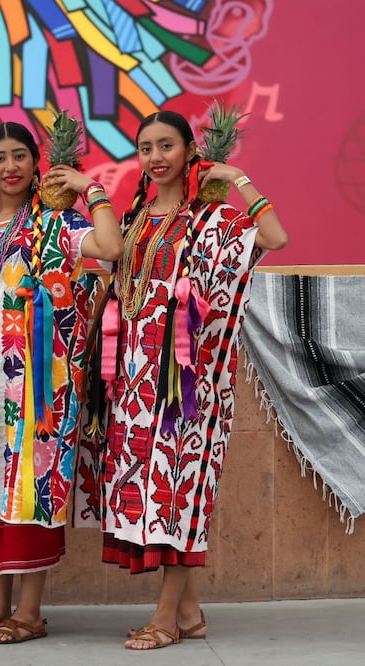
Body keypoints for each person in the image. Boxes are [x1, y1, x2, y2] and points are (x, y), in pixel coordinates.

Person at [86, 110, 287, 650]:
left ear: (188, 152)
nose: (155, 157)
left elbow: (276, 236)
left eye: (166, 145)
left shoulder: (210, 219)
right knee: (154, 496)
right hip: (133, 383)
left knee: (179, 493)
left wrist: (239, 179)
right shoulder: (136, 218)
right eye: (146, 147)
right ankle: (190, 613)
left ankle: (166, 619)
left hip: (186, 390)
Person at [0, 121, 123, 644]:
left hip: (38, 388)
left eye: (20, 157)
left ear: (37, 164)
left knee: (30, 488)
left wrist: (89, 187)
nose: (9, 167)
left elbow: (112, 246)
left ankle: (29, 613)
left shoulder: (61, 224)